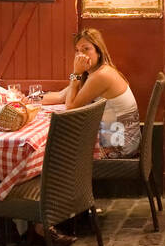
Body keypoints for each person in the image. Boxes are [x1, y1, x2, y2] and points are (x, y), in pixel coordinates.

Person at [42, 28, 141, 159]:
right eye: (77, 51)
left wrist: (76, 74)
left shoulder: (102, 75)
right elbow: (61, 96)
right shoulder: (92, 73)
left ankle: (64, 179)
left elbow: (70, 107)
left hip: (121, 144)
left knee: (57, 149)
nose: (80, 55)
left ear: (98, 52)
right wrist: (29, 99)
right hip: (114, 136)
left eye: (86, 49)